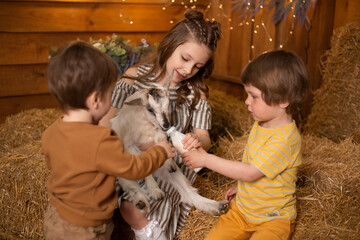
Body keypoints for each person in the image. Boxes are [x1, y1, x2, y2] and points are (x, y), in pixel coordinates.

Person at [99, 9, 221, 240]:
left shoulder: (196, 92)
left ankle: (152, 234)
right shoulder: (134, 77)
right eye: (185, 59)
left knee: (134, 204)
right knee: (104, 191)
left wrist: (197, 141)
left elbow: (204, 136)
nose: (188, 70)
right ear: (169, 46)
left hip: (169, 160)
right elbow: (107, 121)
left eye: (197, 66)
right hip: (130, 154)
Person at [42, 41, 175, 240]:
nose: (113, 99)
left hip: (55, 218)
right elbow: (134, 168)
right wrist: (160, 151)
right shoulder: (100, 140)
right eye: (110, 94)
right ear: (96, 99)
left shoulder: (51, 132)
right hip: (86, 229)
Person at [182, 50, 309, 240]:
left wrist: (206, 159)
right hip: (241, 212)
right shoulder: (262, 124)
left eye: (254, 96)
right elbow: (256, 168)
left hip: (273, 220)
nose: (246, 101)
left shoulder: (285, 139)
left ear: (283, 100)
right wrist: (242, 189)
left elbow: (250, 172)